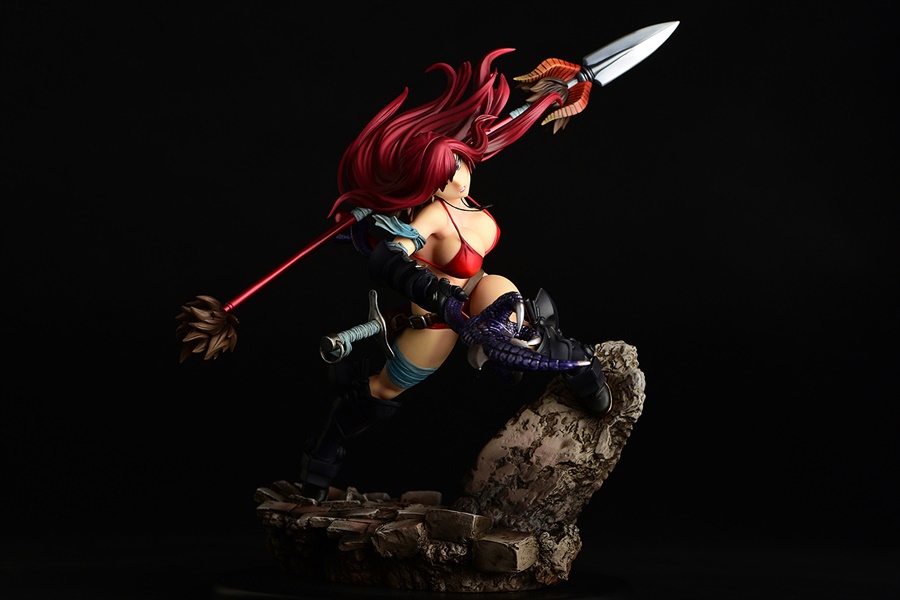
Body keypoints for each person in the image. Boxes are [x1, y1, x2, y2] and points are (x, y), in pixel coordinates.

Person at [300, 48, 611, 501]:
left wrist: (550, 97)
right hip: (436, 316)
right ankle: (321, 459)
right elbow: (389, 257)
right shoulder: (432, 214)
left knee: (518, 322)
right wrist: (431, 291)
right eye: (443, 175)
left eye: (459, 166)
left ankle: (580, 365)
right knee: (381, 390)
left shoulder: (467, 201)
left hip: (479, 291)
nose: (457, 180)